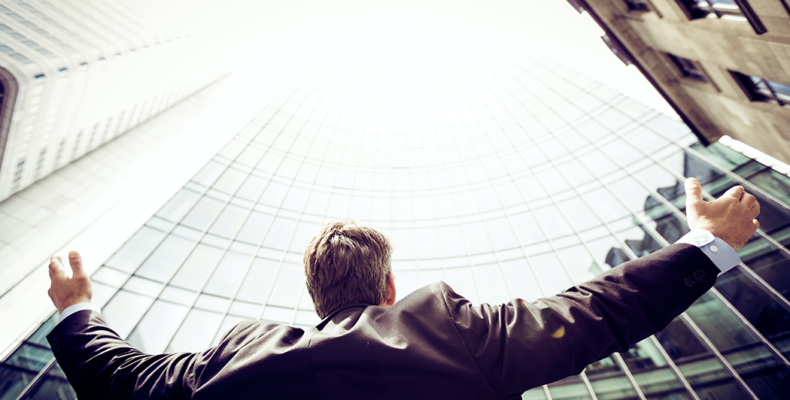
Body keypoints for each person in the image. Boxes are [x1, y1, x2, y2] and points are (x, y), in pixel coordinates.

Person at [46, 178, 760, 399]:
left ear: (315, 298)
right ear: (390, 285)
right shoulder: (446, 329)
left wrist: (78, 307)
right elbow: (593, 311)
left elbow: (121, 382)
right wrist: (705, 245)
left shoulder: (230, 361)